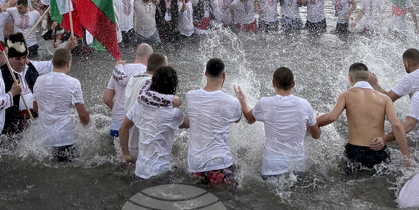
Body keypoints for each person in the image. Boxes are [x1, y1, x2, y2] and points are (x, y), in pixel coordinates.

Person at [317, 63, 411, 173]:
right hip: (379, 150)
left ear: (350, 78)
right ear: (368, 79)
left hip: (355, 151)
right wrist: (407, 157)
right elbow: (397, 126)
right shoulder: (384, 98)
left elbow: (332, 117)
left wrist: (314, 123)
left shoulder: (346, 95)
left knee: (353, 187)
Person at [234, 67, 322, 179]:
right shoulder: (304, 104)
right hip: (298, 167)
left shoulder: (265, 103)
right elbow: (316, 135)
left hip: (272, 168)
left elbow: (249, 119)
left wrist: (242, 99)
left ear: (273, 83)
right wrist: (314, 121)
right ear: (293, 84)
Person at [120, 66, 188, 178]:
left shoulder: (138, 105)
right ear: (173, 85)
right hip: (160, 171)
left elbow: (123, 129)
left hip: (140, 168)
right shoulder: (173, 114)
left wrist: (126, 154)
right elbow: (190, 123)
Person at [185, 58, 243, 187]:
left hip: (195, 164)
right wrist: (240, 100)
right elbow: (237, 119)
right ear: (224, 75)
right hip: (219, 164)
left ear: (206, 73)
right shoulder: (232, 102)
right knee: (224, 200)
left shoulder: (190, 96)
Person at [32, 48, 91, 162]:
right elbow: (83, 115)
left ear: (52, 62)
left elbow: (35, 108)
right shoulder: (74, 83)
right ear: (69, 64)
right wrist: (88, 129)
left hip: (43, 139)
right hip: (64, 139)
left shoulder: (39, 80)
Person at [123, 52, 172, 160]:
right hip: (144, 144)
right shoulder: (154, 84)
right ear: (162, 69)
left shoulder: (134, 77)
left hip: (128, 138)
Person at [2, 35, 55, 134]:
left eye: (24, 57)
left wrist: (68, 48)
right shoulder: (1, 73)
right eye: (18, 59)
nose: (22, 62)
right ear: (9, 58)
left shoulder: (31, 66)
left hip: (34, 120)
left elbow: (55, 64)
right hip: (12, 124)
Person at [104, 44, 151, 137]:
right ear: (150, 57)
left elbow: (107, 99)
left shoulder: (118, 70)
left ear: (135, 55)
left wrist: (118, 111)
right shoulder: (148, 74)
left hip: (116, 125)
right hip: (135, 127)